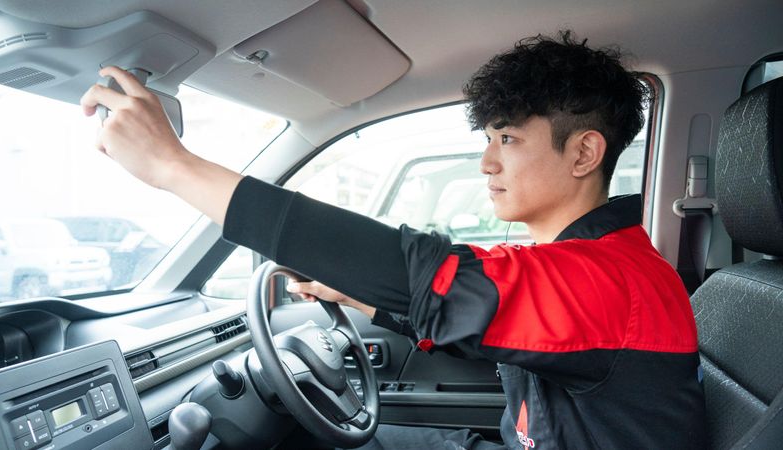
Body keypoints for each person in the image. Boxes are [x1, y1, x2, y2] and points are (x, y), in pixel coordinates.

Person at [81, 31, 705, 449]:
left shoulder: (606, 282)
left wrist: (173, 167)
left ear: (584, 153)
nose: (486, 163)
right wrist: (360, 298)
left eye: (508, 139)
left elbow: (418, 272)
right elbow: (472, 317)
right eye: (488, 139)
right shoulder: (594, 263)